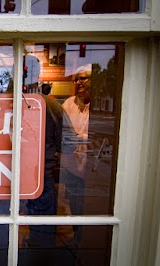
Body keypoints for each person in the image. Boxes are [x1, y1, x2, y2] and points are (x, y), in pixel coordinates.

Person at [59, 64, 92, 247]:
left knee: (87, 204)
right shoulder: (69, 103)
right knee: (73, 202)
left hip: (89, 169)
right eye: (76, 79)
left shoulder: (100, 105)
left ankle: (85, 238)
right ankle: (77, 235)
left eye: (83, 78)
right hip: (70, 166)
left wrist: (79, 138)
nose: (79, 82)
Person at [25, 94, 63, 249]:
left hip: (11, 173)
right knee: (43, 226)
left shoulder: (6, 100)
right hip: (39, 173)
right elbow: (66, 144)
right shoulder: (51, 105)